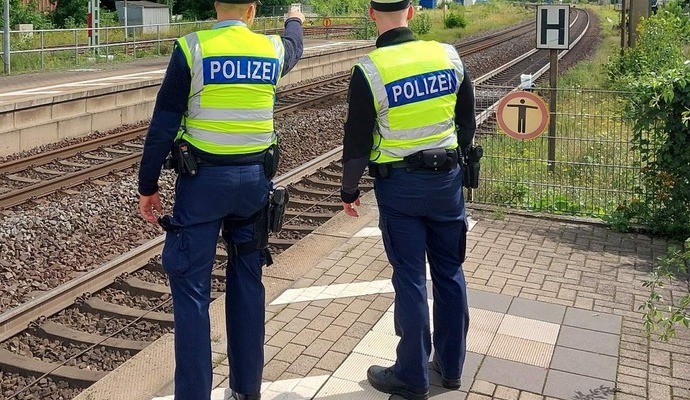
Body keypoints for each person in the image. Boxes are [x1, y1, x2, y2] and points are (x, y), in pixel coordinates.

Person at [136, 2, 304, 399]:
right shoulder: (272, 51)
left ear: (216, 5)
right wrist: (293, 19)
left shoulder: (193, 48)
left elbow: (163, 125)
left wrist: (148, 185)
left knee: (192, 293)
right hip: (254, 186)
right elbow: (295, 45)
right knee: (247, 281)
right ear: (251, 9)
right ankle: (247, 390)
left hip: (202, 186)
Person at [339, 1, 476, 399]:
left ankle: (411, 375)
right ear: (412, 11)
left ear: (371, 13)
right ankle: (451, 368)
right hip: (447, 183)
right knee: (450, 272)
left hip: (399, 190)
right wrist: (457, 158)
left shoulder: (370, 71)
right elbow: (466, 118)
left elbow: (357, 142)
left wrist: (349, 190)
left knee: (412, 279)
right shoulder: (448, 55)